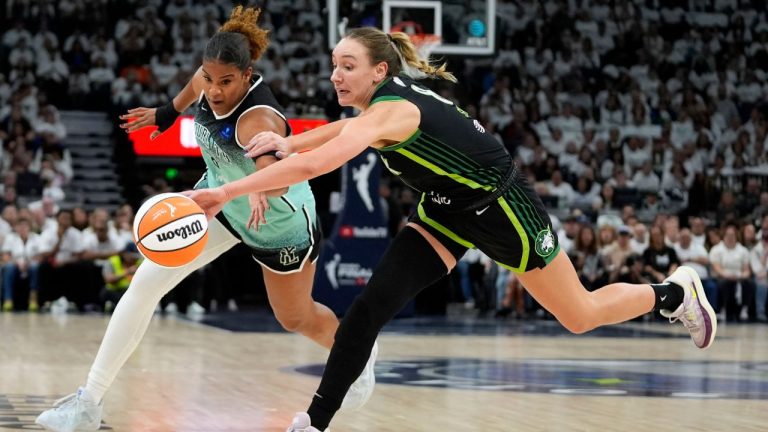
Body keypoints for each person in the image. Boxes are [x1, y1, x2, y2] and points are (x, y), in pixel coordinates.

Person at [185, 27, 717, 432]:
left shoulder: (393, 113)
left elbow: (315, 168)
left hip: (503, 209)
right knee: (370, 308)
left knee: (580, 315)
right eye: (333, 65)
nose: (336, 76)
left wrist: (224, 192)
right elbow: (340, 131)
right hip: (444, 210)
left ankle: (672, 293)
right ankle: (314, 423)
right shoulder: (378, 105)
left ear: (378, 72)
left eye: (347, 66)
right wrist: (290, 141)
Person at [35, 8, 376, 432]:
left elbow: (279, 181)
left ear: (248, 75)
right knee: (144, 284)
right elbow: (187, 95)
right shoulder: (206, 79)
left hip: (278, 219)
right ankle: (88, 401)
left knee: (296, 318)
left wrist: (256, 187)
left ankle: (359, 351)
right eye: (209, 79)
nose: (214, 91)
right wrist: (163, 114)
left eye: (226, 82)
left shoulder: (258, 119)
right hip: (219, 203)